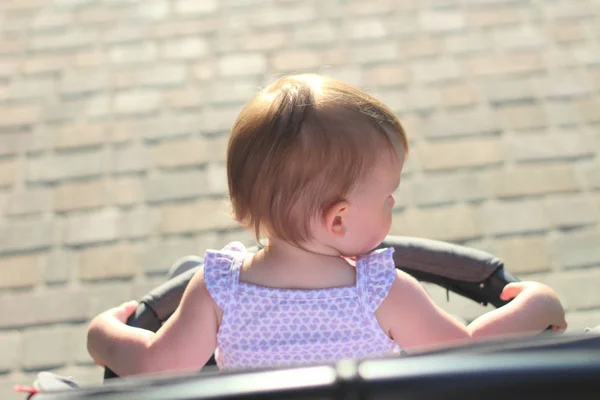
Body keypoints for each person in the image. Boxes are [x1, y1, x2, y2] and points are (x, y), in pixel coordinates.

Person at [87, 74, 567, 377]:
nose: (393, 202)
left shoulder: (218, 289)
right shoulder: (382, 291)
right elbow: (465, 352)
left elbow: (154, 365)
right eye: (387, 197)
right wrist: (539, 304)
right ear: (338, 219)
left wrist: (102, 334)